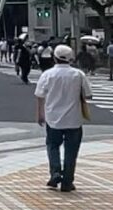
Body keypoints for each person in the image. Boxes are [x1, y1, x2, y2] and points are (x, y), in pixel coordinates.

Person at [35, 44, 91, 192]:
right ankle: (67, 181)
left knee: (52, 145)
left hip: (53, 117)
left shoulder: (47, 74)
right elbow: (88, 95)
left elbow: (40, 95)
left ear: (54, 58)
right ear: (71, 59)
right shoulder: (78, 75)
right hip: (74, 118)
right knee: (71, 151)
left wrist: (40, 114)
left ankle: (55, 172)